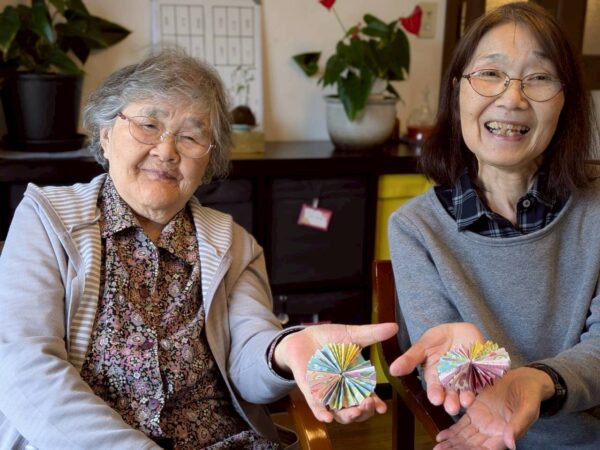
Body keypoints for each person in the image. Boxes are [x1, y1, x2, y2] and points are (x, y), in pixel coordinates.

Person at [0, 49, 398, 450]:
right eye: (149, 125)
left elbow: (248, 356)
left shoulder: (233, 244)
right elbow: (25, 369)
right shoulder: (47, 220)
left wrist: (284, 349)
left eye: (191, 136)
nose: (167, 151)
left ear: (208, 162)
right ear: (105, 135)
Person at [386, 2, 600, 449]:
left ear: (566, 100)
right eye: (489, 73)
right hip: (483, 435)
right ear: (457, 92)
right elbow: (443, 366)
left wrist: (537, 381)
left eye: (539, 77)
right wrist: (454, 364)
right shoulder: (415, 228)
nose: (512, 98)